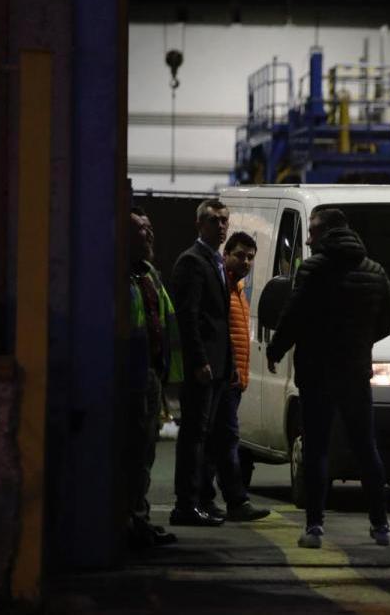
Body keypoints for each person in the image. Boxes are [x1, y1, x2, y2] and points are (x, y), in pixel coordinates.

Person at [267, 208, 390, 548]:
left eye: (311, 232)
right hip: (355, 373)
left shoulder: (312, 269)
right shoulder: (374, 270)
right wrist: (361, 340)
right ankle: (381, 525)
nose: (308, 239)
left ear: (325, 232)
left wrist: (276, 349)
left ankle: (314, 528)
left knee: (316, 449)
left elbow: (293, 315)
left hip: (316, 372)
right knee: (366, 448)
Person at [169, 199, 236, 527]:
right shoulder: (192, 262)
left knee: (211, 437)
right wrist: (199, 360)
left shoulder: (217, 263)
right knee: (194, 436)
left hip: (219, 366)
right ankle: (186, 505)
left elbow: (219, 319)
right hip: (205, 367)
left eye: (224, 221)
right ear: (199, 225)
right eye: (213, 221)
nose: (221, 226)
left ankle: (202, 501)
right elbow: (189, 317)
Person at [200, 231, 270, 522]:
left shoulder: (238, 289)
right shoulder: (221, 287)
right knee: (225, 440)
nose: (245, 261)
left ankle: (208, 499)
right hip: (223, 378)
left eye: (250, 257)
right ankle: (234, 500)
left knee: (218, 443)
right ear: (226, 254)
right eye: (239, 255)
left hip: (234, 378)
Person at [126, 208, 183, 548]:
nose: (148, 235)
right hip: (128, 377)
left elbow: (165, 327)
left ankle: (139, 517)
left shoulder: (150, 276)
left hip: (151, 375)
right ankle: (129, 520)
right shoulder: (119, 278)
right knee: (131, 451)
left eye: (149, 229)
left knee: (145, 452)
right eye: (139, 230)